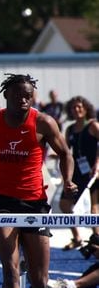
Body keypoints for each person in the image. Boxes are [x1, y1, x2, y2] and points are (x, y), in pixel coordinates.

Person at [0, 73, 77, 288]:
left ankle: (30, 266)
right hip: (2, 203)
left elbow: (65, 154)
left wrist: (69, 180)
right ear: (7, 96)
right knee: (9, 272)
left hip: (34, 202)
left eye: (28, 95)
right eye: (18, 95)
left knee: (38, 282)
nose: (24, 100)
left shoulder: (43, 122)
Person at [58, 96, 99, 250]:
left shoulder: (93, 126)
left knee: (94, 207)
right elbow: (65, 150)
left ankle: (96, 240)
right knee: (64, 204)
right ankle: (77, 237)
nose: (77, 110)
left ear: (86, 108)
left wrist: (97, 164)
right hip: (76, 173)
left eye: (79, 107)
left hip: (92, 173)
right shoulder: (70, 129)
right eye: (73, 108)